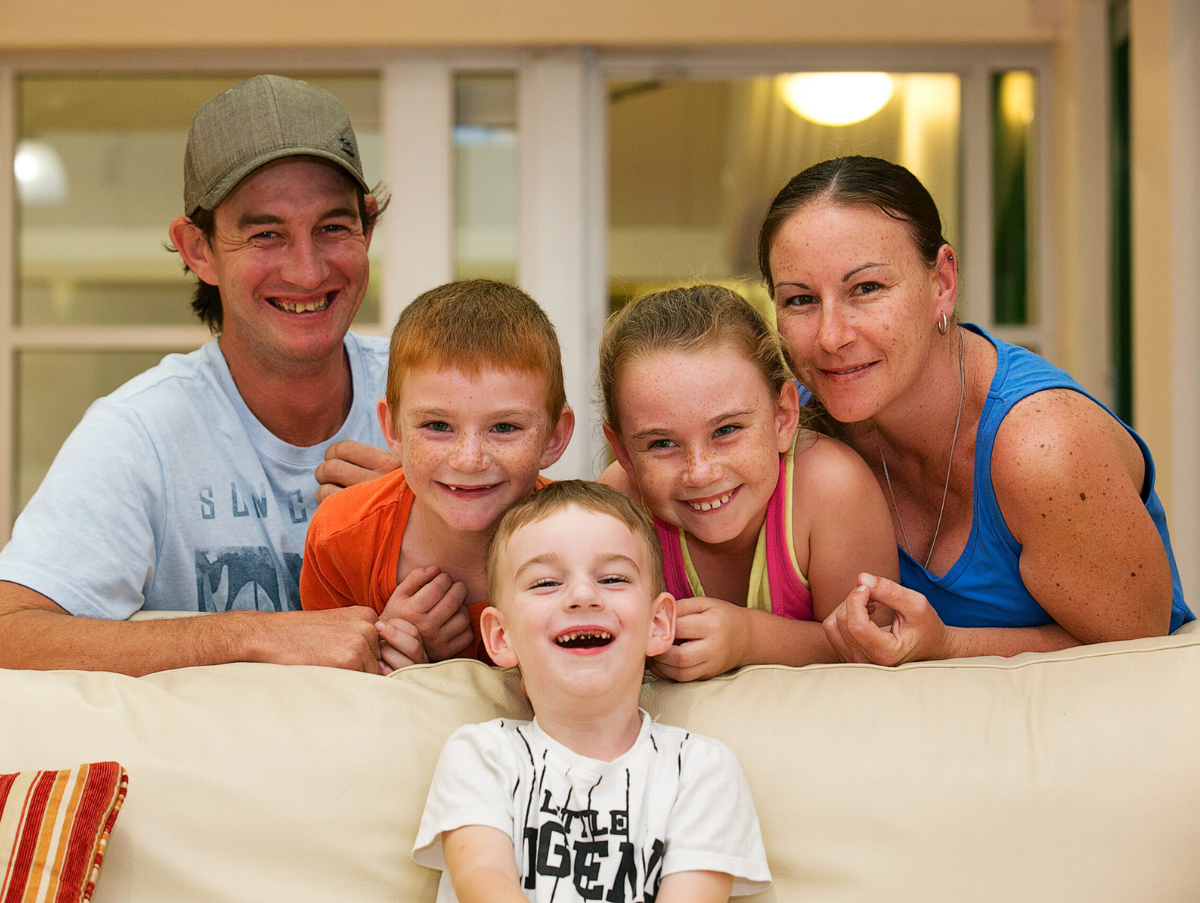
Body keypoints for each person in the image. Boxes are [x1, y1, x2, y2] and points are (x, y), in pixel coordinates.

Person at [0, 74, 396, 675]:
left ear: (367, 228)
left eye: (333, 227)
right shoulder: (142, 432)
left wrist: (447, 512)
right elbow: (12, 632)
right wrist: (251, 636)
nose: (308, 270)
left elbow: (568, 582)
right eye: (266, 234)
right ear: (198, 249)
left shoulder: (435, 400)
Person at [759, 155, 1194, 665]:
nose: (832, 337)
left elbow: (1142, 649)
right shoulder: (797, 426)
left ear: (942, 283)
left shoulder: (1043, 449)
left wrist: (948, 646)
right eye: (800, 300)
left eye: (867, 288)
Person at [412, 480, 772, 902]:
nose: (583, 596)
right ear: (501, 636)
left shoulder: (701, 771)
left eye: (613, 578)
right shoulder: (481, 754)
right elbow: (483, 878)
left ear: (658, 624)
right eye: (545, 583)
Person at [598, 285, 898, 680]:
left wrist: (748, 639)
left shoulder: (830, 488)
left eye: (726, 430)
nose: (700, 471)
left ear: (783, 417)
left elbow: (876, 648)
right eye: (662, 443)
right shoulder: (619, 508)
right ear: (623, 453)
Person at [299, 280, 574, 671]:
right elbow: (328, 695)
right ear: (392, 429)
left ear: (554, 436)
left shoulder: (585, 544)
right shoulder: (340, 536)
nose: (469, 460)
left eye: (505, 427)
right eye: (438, 426)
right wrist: (385, 641)